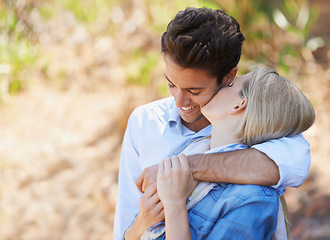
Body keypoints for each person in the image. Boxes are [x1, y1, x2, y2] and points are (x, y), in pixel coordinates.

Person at [114, 8, 311, 240]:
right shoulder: (144, 122)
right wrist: (142, 223)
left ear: (229, 77)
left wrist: (181, 171)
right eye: (171, 84)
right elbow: (123, 232)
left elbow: (294, 164)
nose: (179, 101)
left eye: (193, 91)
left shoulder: (265, 137)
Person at [154, 68, 315, 239]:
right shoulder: (189, 149)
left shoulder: (253, 201)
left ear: (239, 104)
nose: (219, 86)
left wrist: (174, 205)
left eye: (230, 84)